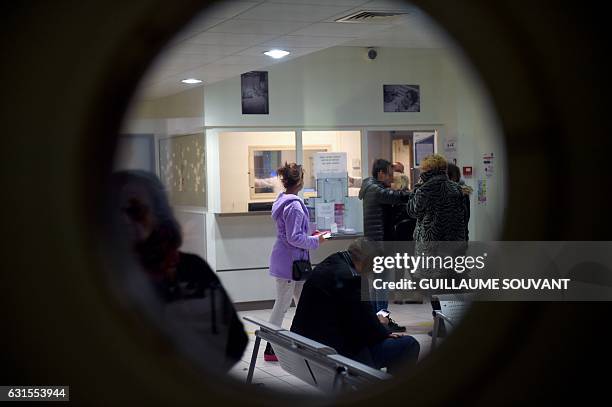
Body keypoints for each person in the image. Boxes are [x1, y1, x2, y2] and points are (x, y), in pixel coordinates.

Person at [111, 170, 248, 371]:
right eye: (113, 212)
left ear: (158, 214)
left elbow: (235, 341)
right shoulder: (100, 276)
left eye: (135, 211)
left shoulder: (191, 269)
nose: (124, 221)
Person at [290, 238, 420, 374]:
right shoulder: (351, 278)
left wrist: (376, 326)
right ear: (366, 262)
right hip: (338, 356)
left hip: (308, 348)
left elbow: (353, 316)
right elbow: (368, 329)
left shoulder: (331, 262)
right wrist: (383, 326)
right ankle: (394, 392)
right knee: (409, 344)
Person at [266, 162, 326, 361]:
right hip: (290, 264)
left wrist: (310, 236)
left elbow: (294, 234)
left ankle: (306, 340)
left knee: (304, 303)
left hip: (293, 262)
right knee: (282, 305)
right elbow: (294, 237)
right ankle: (270, 348)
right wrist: (316, 240)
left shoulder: (284, 200)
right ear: (299, 181)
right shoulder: (294, 207)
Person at [359, 159, 411, 330]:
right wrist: (414, 191)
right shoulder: (376, 189)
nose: (392, 178)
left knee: (378, 285)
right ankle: (382, 322)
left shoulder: (371, 187)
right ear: (380, 173)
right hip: (379, 245)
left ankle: (378, 322)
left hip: (375, 243)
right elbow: (397, 197)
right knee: (382, 286)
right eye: (389, 174)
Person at [447, 163, 473, 240]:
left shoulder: (457, 192)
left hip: (454, 236)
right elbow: (466, 216)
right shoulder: (463, 190)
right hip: (462, 234)